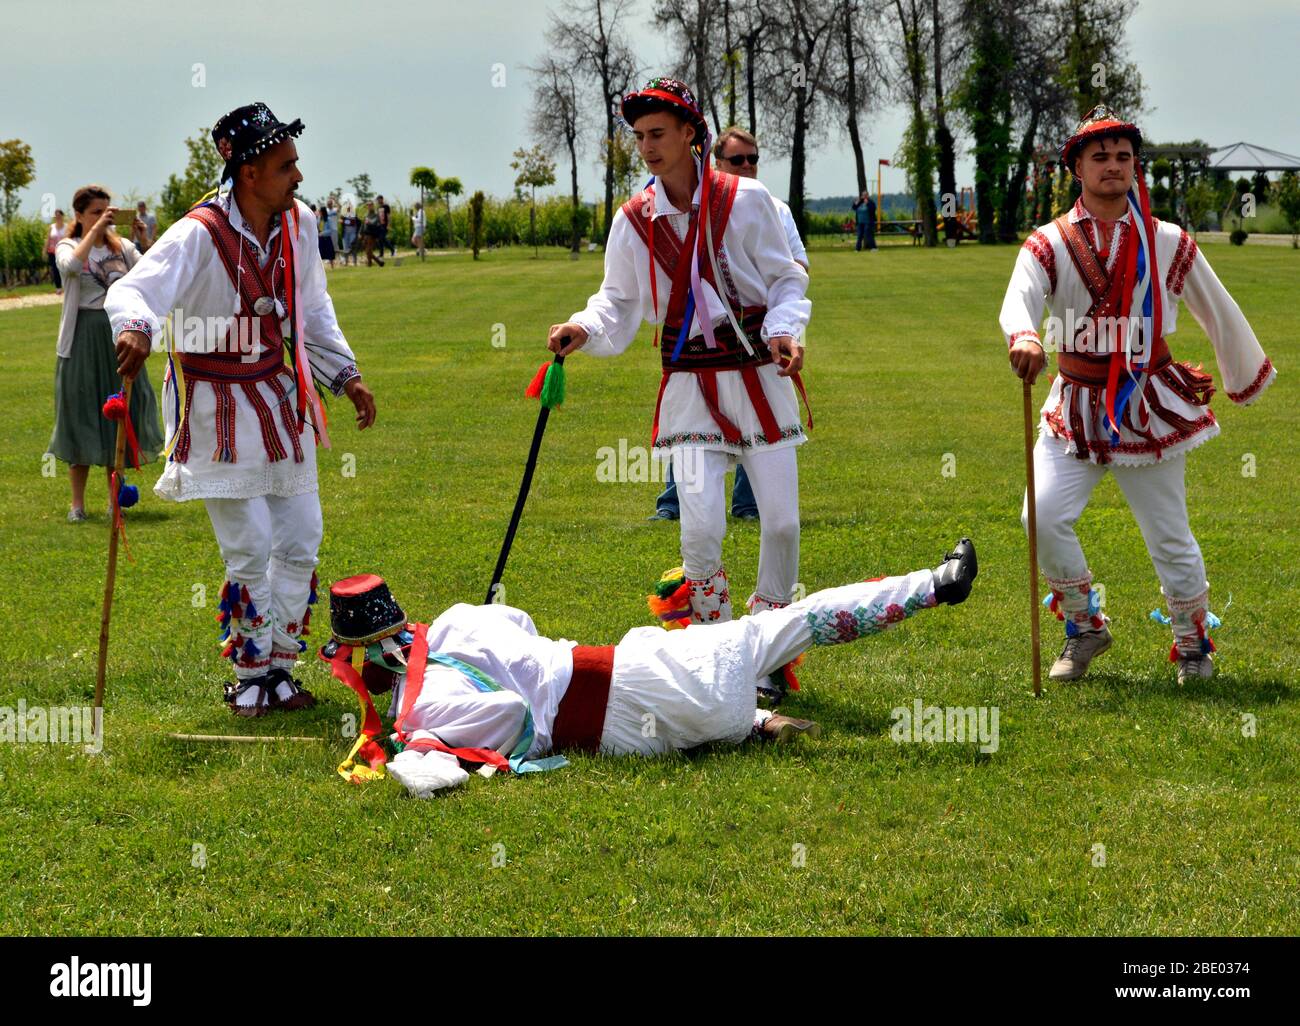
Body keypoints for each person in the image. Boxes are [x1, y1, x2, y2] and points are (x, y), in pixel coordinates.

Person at [321, 539, 978, 795]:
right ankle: (931, 585)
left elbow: (510, 720)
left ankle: (751, 720)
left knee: (762, 644)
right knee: (783, 625)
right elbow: (520, 631)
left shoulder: (424, 704)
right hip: (635, 682)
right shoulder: (463, 618)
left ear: (367, 662)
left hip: (633, 723)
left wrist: (416, 740)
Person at [105, 101, 377, 715]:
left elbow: (313, 309)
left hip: (279, 401)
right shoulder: (198, 233)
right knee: (250, 543)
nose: (299, 177)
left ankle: (282, 666)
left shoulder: (299, 224)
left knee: (303, 536)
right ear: (250, 172)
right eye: (287, 166)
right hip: (214, 410)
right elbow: (135, 289)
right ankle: (250, 674)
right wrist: (137, 329)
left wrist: (346, 375)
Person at [1000, 105, 1276, 686]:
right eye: (1100, 156)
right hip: (1074, 405)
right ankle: (1084, 626)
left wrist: (1243, 372)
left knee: (1169, 533)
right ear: (1077, 166)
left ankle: (1192, 644)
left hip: (1145, 404)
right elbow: (1021, 295)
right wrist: (1025, 334)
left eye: (1124, 156)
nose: (1114, 166)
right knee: (1041, 516)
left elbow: (1215, 305)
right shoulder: (1048, 241)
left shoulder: (1166, 240)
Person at [549, 79, 811, 678]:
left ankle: (769, 648)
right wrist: (582, 327)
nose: (647, 147)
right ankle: (721, 651)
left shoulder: (747, 200)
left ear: (691, 134)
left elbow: (788, 280)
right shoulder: (633, 220)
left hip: (757, 375)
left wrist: (783, 330)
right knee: (699, 525)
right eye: (639, 137)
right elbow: (615, 300)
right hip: (690, 385)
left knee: (782, 521)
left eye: (658, 134)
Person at [650, 125, 809, 524]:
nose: (747, 166)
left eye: (753, 159)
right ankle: (673, 502)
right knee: (691, 409)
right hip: (697, 332)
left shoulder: (774, 207)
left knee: (760, 413)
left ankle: (749, 503)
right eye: (737, 159)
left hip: (759, 332)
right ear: (717, 161)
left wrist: (777, 320)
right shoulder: (684, 206)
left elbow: (795, 268)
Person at [50, 186, 164, 522]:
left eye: (106, 211)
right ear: (80, 215)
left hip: (119, 334)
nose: (103, 217)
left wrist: (144, 239)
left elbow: (154, 273)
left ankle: (116, 500)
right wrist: (96, 232)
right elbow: (69, 267)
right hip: (82, 336)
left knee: (120, 412)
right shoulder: (69, 244)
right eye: (95, 212)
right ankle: (77, 505)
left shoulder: (123, 248)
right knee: (81, 412)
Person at [46, 209, 67, 294]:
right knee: (55, 269)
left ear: (62, 216)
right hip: (53, 251)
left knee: (64, 269)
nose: (57, 217)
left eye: (59, 215)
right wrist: (44, 249)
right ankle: (58, 287)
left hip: (64, 250)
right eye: (56, 216)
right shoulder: (52, 227)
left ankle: (66, 286)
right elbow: (48, 239)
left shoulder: (67, 226)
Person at [362, 202, 385, 267]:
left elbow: (374, 222)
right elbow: (362, 225)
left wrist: (369, 222)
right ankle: (377, 263)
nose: (369, 207)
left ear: (373, 206)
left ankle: (372, 263)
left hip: (372, 235)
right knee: (367, 251)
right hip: (365, 234)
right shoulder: (366, 215)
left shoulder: (376, 215)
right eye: (368, 205)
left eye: (370, 205)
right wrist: (360, 233)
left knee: (369, 250)